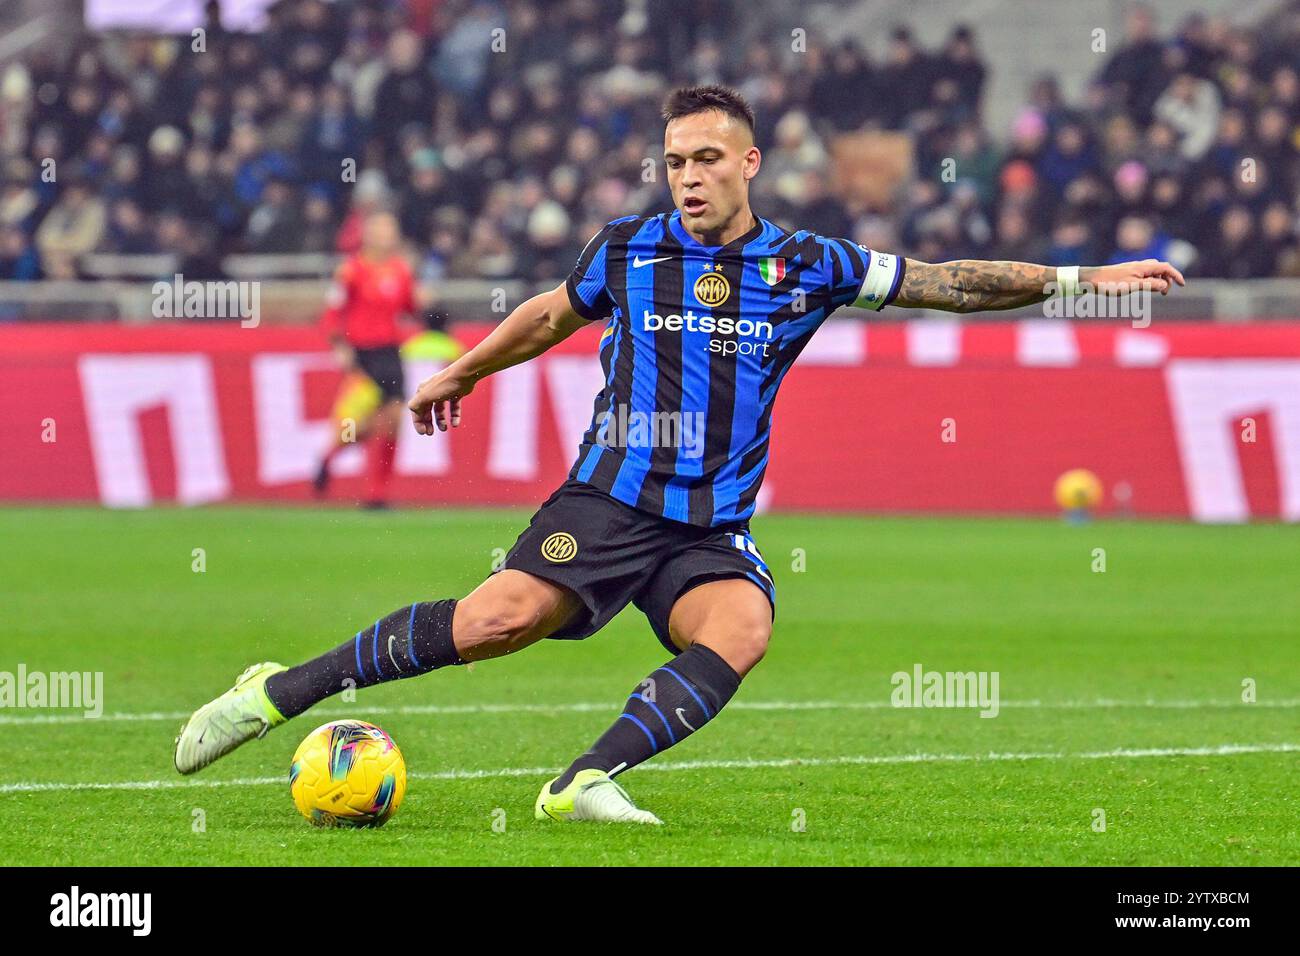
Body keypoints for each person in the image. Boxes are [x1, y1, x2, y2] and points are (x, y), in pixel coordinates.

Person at [175, 85, 1184, 823]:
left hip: (709, 525)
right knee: (494, 622)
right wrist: (463, 372)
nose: (689, 177)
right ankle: (272, 693)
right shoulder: (630, 247)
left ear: (748, 163)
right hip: (608, 501)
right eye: (674, 162)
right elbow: (547, 315)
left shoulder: (808, 264)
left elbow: (948, 281)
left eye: (707, 159)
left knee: (741, 623)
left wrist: (1083, 276)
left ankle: (583, 779)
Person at [314, 211, 419, 508]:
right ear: (369, 234)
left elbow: (411, 306)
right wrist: (340, 346)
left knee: (394, 420)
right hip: (362, 352)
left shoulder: (401, 271)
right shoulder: (351, 271)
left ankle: (377, 493)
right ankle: (330, 456)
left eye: (392, 229)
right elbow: (333, 312)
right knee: (366, 421)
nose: (389, 235)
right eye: (383, 229)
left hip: (390, 352)